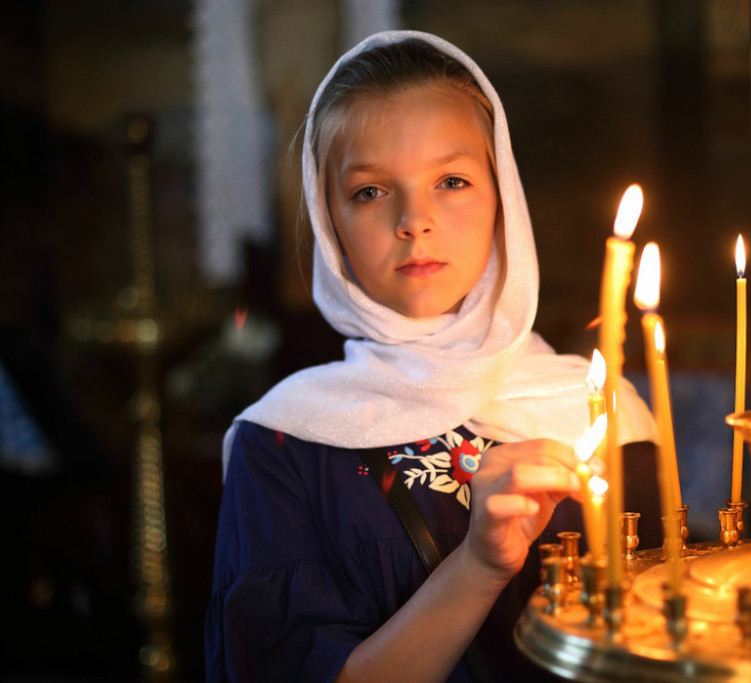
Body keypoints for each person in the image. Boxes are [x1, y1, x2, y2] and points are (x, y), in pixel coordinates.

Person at [205, 30, 658, 683]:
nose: (414, 219)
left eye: (451, 180)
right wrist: (478, 564)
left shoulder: (602, 413)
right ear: (329, 222)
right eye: (369, 191)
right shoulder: (283, 439)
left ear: (503, 195)